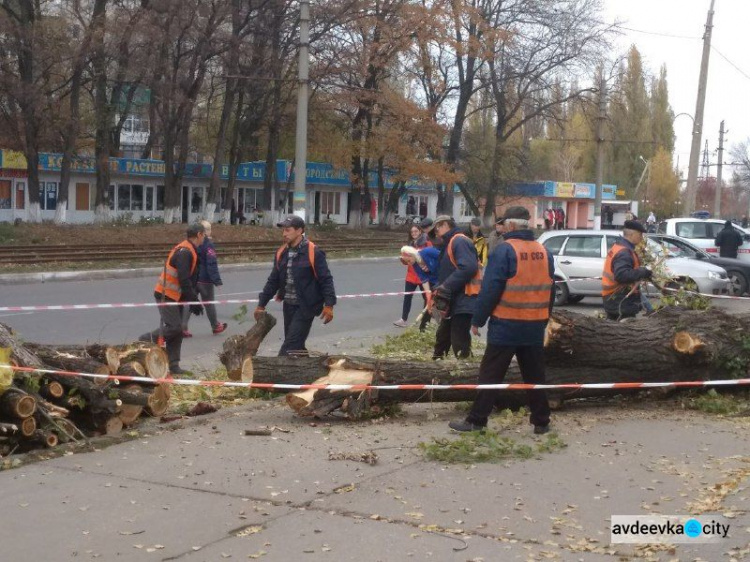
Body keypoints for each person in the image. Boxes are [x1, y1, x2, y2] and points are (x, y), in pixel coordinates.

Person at [449, 206, 554, 435]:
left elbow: (490, 290)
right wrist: (545, 318)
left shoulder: (505, 251)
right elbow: (550, 289)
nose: (503, 228)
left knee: (491, 375)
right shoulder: (544, 251)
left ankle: (477, 421)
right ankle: (542, 422)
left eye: (505, 224)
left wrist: (478, 320)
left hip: (507, 325)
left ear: (512, 225)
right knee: (535, 376)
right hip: (534, 325)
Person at [254, 215, 336, 356]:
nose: (284, 234)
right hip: (289, 305)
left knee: (289, 347)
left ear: (299, 231)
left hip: (306, 307)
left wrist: (329, 305)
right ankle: (308, 371)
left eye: (288, 230)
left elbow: (326, 279)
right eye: (283, 230)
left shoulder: (313, 252)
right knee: (295, 345)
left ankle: (277, 373)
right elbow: (273, 281)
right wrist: (261, 304)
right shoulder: (282, 253)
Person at [139, 223, 206, 375]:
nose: (205, 238)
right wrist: (195, 302)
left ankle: (173, 365)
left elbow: (189, 278)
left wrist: (193, 295)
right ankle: (146, 339)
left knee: (178, 330)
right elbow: (184, 279)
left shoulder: (190, 249)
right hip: (166, 294)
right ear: (199, 234)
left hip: (176, 295)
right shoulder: (185, 252)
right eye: (204, 235)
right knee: (174, 327)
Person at [428, 215, 479, 359]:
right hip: (453, 299)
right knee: (442, 337)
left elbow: (468, 268)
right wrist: (439, 288)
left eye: (436, 230)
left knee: (459, 340)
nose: (436, 235)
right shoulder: (450, 243)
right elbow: (448, 272)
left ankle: (464, 371)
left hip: (464, 299)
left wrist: (444, 286)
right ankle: (437, 365)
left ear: (444, 225)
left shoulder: (459, 241)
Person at [181, 220, 228, 337]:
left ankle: (182, 327)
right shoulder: (208, 245)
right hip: (205, 279)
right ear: (206, 232)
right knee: (209, 303)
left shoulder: (193, 244)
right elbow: (211, 264)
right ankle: (215, 326)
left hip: (194, 278)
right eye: (210, 229)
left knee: (190, 301)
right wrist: (217, 280)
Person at [602, 220, 653, 321]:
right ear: (632, 234)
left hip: (615, 298)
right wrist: (643, 271)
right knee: (624, 333)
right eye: (640, 234)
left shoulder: (619, 247)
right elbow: (621, 275)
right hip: (620, 300)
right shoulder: (624, 252)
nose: (641, 237)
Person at [394, 225, 431, 327]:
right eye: (412, 232)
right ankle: (403, 319)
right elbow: (407, 262)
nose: (414, 233)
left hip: (422, 276)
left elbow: (431, 258)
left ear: (420, 231)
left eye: (415, 231)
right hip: (411, 276)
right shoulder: (409, 246)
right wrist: (403, 260)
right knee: (407, 297)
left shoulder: (426, 243)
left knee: (427, 298)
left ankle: (428, 320)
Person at [400, 245, 440, 332]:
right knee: (430, 303)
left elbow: (444, 258)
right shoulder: (415, 265)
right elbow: (424, 280)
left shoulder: (427, 252)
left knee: (444, 304)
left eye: (409, 261)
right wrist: (428, 295)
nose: (409, 264)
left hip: (445, 277)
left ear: (412, 255)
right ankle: (424, 329)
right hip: (433, 282)